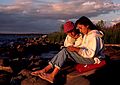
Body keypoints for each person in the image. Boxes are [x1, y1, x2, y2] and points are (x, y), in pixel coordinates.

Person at [31, 16, 105, 83]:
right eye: (79, 28)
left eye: (81, 28)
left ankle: (52, 75)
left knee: (65, 51)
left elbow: (91, 54)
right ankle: (44, 70)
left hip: (92, 59)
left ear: (87, 25)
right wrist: (75, 48)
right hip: (87, 57)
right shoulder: (88, 35)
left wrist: (75, 49)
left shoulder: (94, 36)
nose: (80, 30)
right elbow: (84, 47)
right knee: (65, 50)